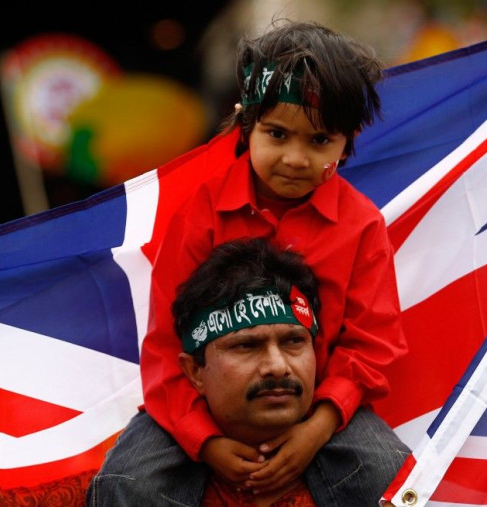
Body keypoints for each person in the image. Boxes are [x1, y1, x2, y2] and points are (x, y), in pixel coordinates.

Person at [91, 19, 409, 504]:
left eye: (319, 140)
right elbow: (164, 349)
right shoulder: (199, 216)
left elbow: (372, 346)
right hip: (207, 406)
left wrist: (318, 427)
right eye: (278, 134)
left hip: (313, 405)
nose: (296, 158)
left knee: (390, 475)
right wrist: (207, 440)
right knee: (128, 484)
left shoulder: (362, 226)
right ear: (246, 123)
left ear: (349, 142)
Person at [88, 239, 409, 505]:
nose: (277, 366)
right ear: (194, 371)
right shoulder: (123, 485)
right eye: (246, 346)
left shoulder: (387, 475)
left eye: (294, 341)